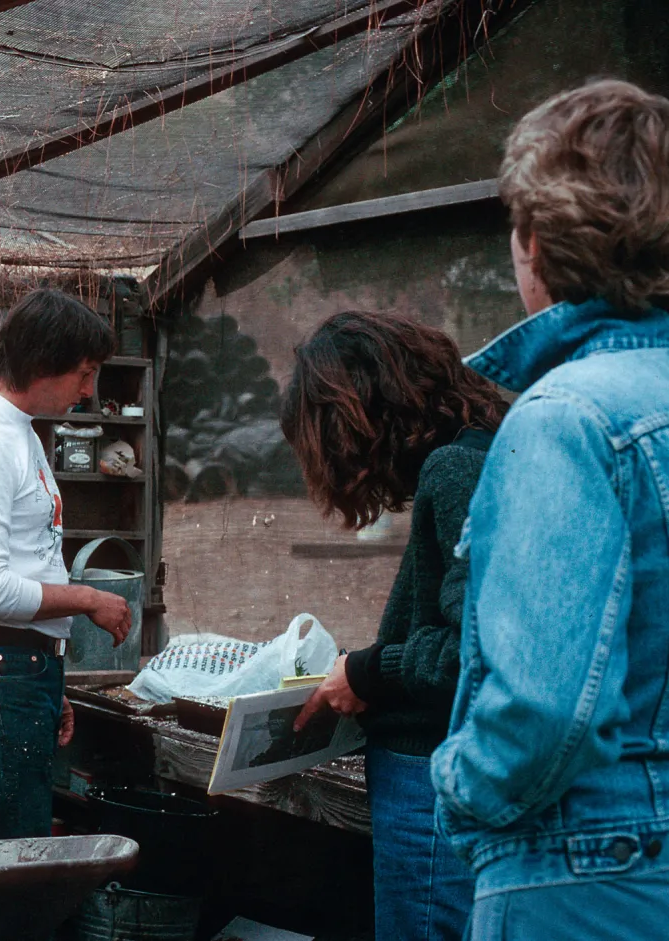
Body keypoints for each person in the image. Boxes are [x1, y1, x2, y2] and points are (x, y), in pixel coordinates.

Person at [431, 79, 669, 940]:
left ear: (537, 241)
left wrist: (460, 784)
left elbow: (540, 712)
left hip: (586, 874)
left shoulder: (567, 417)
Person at [279, 311, 506, 941]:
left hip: (431, 775)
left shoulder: (456, 471)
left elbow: (482, 649)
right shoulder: (492, 448)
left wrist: (369, 671)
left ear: (359, 419)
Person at [0, 289, 130, 840]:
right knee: (5, 855)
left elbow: (30, 559)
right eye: (85, 372)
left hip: (20, 668)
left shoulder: (17, 434)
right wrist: (89, 599)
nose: (90, 390)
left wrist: (48, 668)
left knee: (19, 840)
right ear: (44, 363)